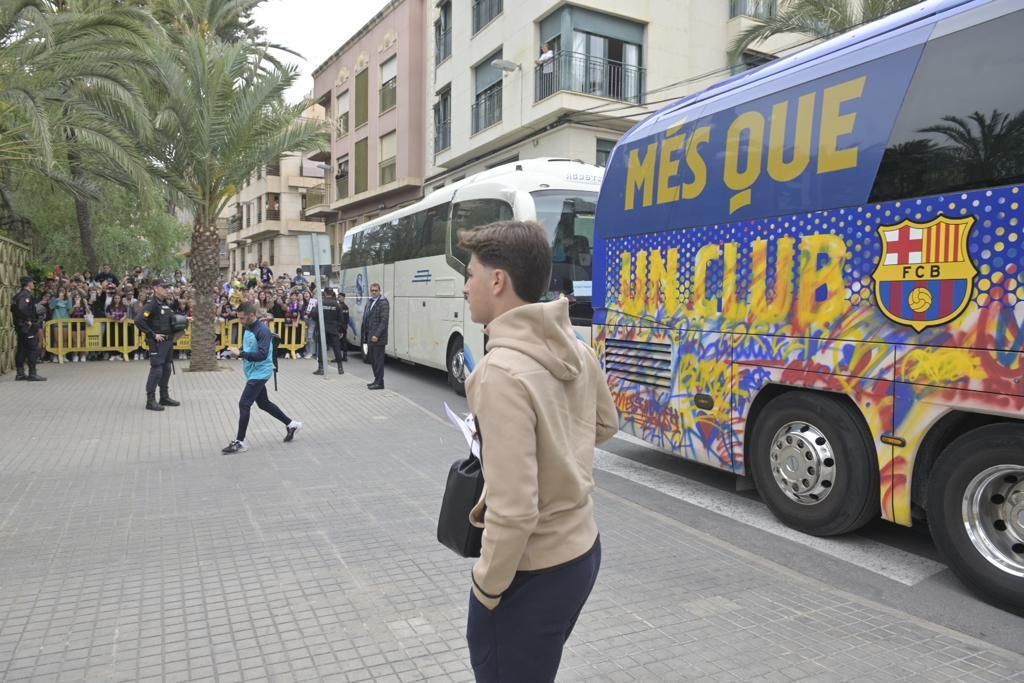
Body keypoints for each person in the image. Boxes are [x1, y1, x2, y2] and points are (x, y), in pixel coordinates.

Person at [458, 219, 618, 682]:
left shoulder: (499, 372)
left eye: (470, 275)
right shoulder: (574, 346)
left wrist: (486, 587)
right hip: (582, 552)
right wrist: (557, 444)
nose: (466, 287)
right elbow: (605, 424)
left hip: (533, 570)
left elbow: (514, 511)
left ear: (497, 280)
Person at [221, 302, 302, 453]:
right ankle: (292, 424)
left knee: (244, 404)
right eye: (238, 318)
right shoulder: (248, 327)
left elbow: (262, 354)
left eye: (242, 318)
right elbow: (250, 347)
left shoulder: (262, 331)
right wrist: (237, 350)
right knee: (263, 403)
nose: (240, 321)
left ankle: (240, 442)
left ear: (252, 315)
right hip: (253, 371)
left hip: (261, 372)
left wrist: (241, 354)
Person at [133, 278, 180, 411]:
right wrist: (153, 335)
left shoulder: (165, 304)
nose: (167, 289)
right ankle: (150, 400)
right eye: (163, 287)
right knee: (157, 370)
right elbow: (139, 320)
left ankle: (164, 397)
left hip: (168, 341)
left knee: (167, 368)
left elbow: (169, 319)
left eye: (167, 287)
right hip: (157, 343)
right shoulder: (151, 304)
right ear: (155, 289)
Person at [11, 275, 46, 381]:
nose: (33, 284)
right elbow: (21, 308)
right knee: (32, 349)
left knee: (22, 349)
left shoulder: (17, 295)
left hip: (20, 326)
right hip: (26, 327)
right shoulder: (25, 295)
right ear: (28, 283)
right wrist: (28, 320)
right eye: (32, 282)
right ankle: (32, 373)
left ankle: (20, 373)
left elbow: (14, 309)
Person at [360, 282, 388, 390]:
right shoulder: (370, 302)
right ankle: (376, 380)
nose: (374, 292)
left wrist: (377, 335)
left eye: (376, 290)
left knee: (378, 361)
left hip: (378, 338)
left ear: (379, 291)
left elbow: (383, 321)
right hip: (370, 335)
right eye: (372, 290)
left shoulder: (383, 302)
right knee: (372, 359)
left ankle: (379, 382)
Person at [314, 288, 345, 375]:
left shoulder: (320, 303)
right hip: (333, 329)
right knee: (336, 348)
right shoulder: (337, 304)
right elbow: (341, 319)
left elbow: (315, 315)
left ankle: (321, 368)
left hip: (322, 329)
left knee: (321, 348)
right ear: (332, 293)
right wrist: (341, 330)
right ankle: (340, 368)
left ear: (324, 293)